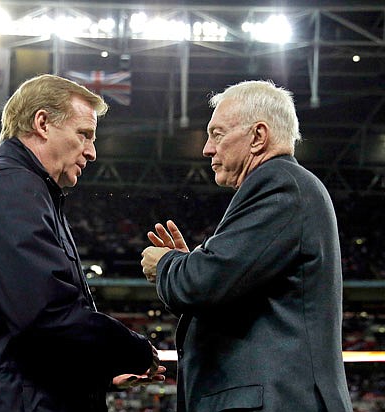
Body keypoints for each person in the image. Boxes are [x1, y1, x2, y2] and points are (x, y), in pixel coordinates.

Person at [0, 74, 164, 412]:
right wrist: (132, 349)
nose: (92, 152)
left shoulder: (14, 188)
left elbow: (19, 335)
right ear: (42, 123)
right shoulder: (11, 188)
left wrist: (96, 371)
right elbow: (47, 316)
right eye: (84, 135)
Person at [141, 80, 353, 411]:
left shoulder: (279, 185)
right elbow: (226, 286)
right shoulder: (286, 187)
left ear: (257, 137)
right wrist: (186, 266)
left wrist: (167, 264)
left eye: (217, 134)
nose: (207, 149)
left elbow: (204, 282)